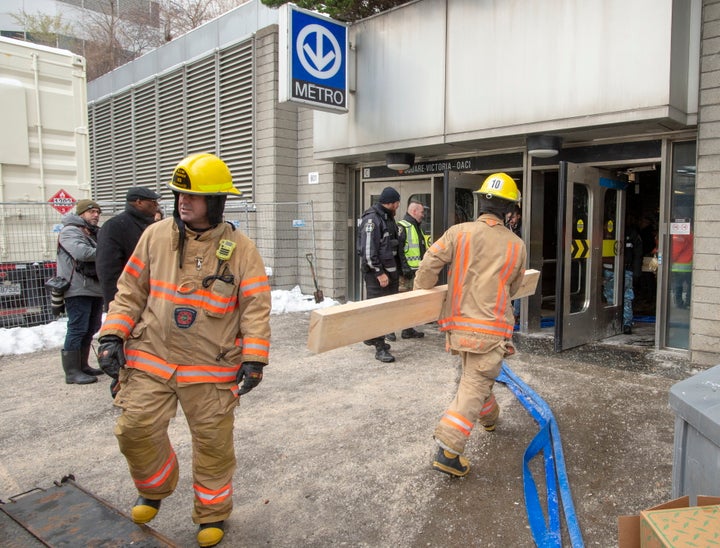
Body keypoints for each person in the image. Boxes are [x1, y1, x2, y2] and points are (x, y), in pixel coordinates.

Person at [96, 153, 271, 548]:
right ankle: (155, 485)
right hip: (150, 360)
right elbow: (129, 293)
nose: (182, 202)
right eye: (179, 195)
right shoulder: (155, 236)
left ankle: (212, 514)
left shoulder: (242, 250)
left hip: (211, 369)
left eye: (193, 197)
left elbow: (256, 310)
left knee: (213, 445)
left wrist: (255, 359)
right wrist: (111, 336)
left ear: (217, 201)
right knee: (133, 429)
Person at [414, 173, 526, 477]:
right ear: (509, 211)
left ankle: (490, 419)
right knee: (475, 382)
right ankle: (449, 451)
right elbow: (514, 288)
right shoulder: (516, 245)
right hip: (490, 330)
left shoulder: (458, 232)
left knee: (476, 378)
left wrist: (421, 292)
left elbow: (429, 264)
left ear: (482, 204)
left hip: (458, 327)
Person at [58, 199, 104, 384]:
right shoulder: (70, 231)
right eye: (92, 211)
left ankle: (83, 365)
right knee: (77, 328)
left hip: (93, 287)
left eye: (98, 212)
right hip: (77, 288)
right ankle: (72, 372)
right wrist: (107, 250)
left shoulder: (92, 232)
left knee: (91, 327)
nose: (96, 215)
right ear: (81, 214)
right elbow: (82, 253)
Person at [96, 187, 161, 309]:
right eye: (152, 201)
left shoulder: (154, 227)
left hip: (153, 298)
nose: (156, 205)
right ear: (139, 202)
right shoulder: (114, 226)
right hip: (127, 299)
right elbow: (107, 268)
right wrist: (115, 302)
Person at [357, 186, 402, 362]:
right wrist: (379, 273)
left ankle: (371, 336)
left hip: (389, 275)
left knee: (387, 309)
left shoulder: (387, 218)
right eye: (397, 202)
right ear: (391, 202)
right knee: (379, 311)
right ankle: (380, 347)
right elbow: (368, 251)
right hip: (378, 276)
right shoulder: (372, 220)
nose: (398, 206)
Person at [398, 200, 430, 338]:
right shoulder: (403, 226)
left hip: (415, 272)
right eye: (422, 212)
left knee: (410, 303)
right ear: (414, 211)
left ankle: (408, 329)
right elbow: (398, 251)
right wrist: (404, 268)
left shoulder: (417, 227)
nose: (423, 215)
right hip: (406, 274)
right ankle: (390, 330)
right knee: (401, 303)